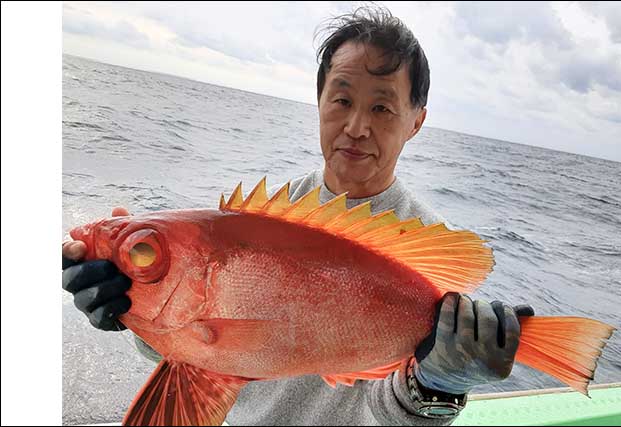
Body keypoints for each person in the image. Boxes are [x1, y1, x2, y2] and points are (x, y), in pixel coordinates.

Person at [62, 7, 533, 425]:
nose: (356, 127)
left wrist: (435, 388)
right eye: (343, 99)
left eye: (383, 107)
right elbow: (200, 344)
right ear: (320, 100)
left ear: (416, 121)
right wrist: (129, 310)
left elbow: (388, 416)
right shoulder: (258, 218)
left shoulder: (425, 252)